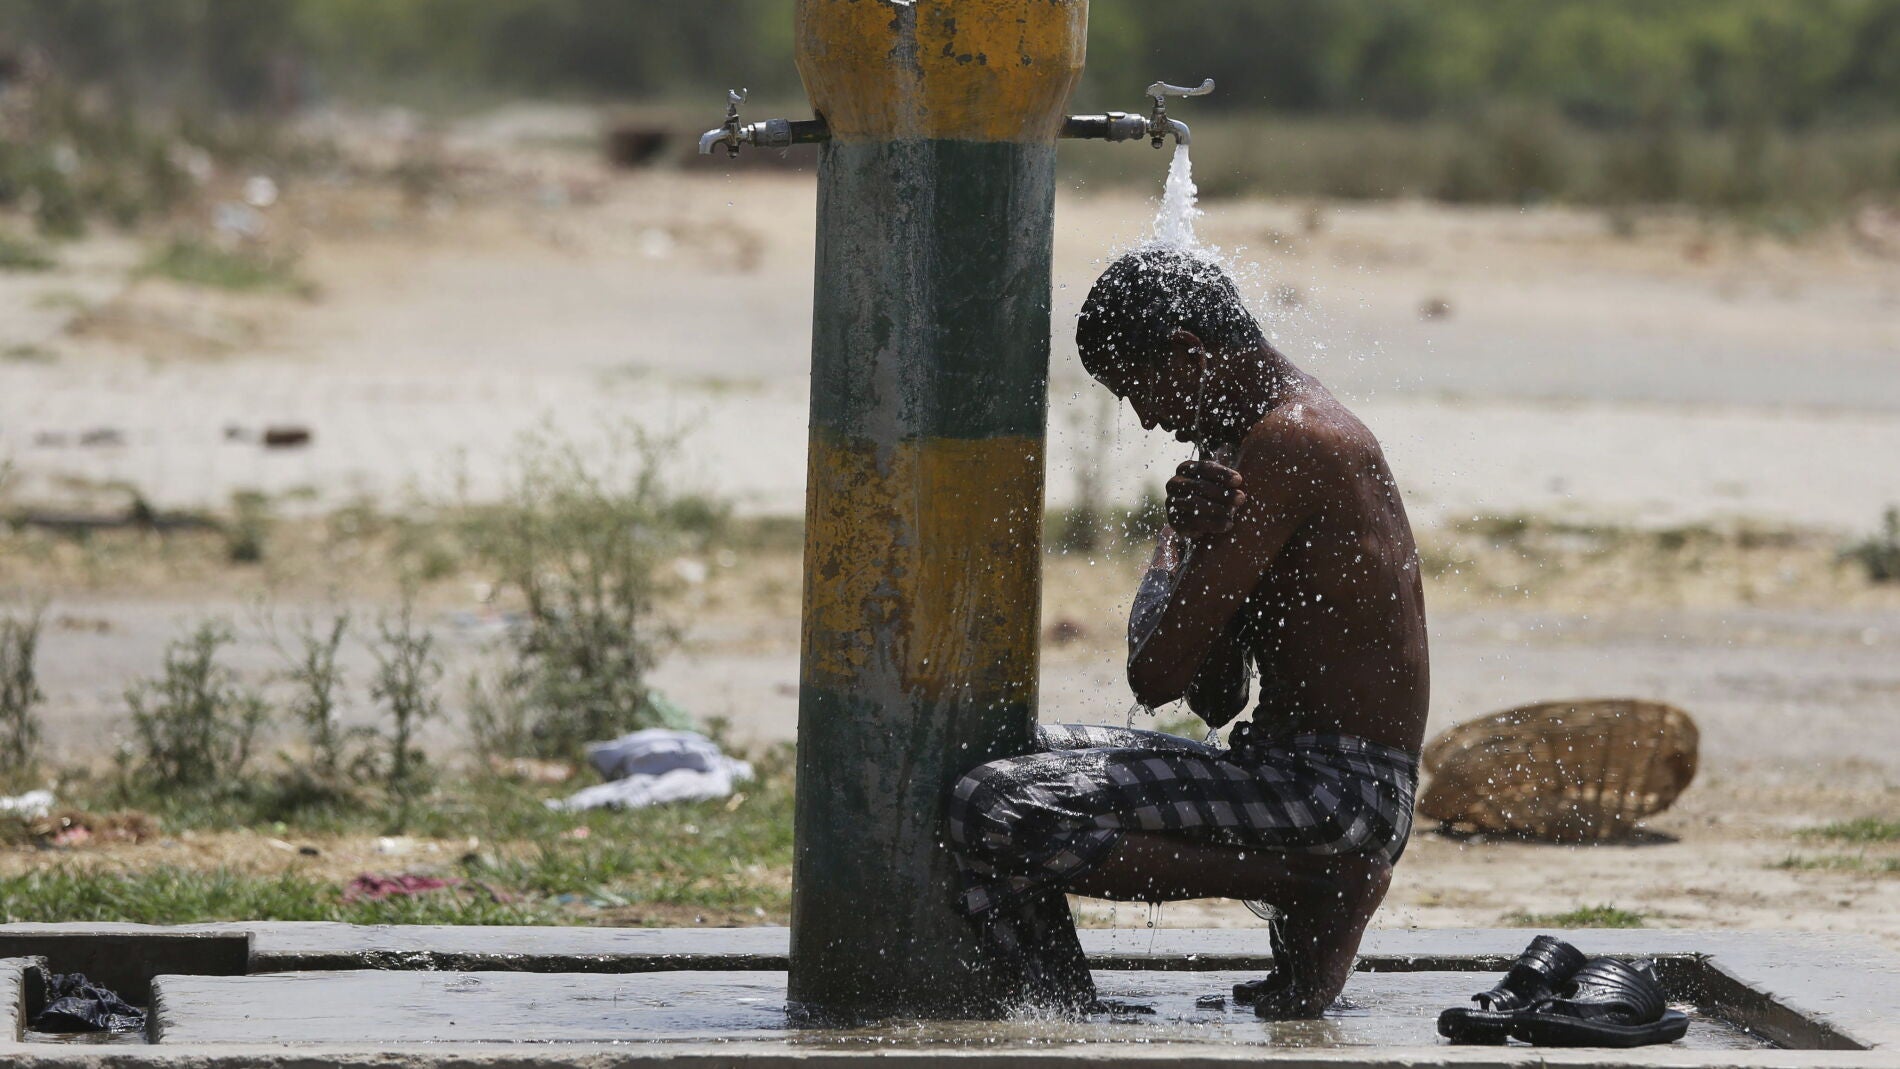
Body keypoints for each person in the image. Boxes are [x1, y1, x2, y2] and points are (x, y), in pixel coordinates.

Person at [945, 246, 1430, 1018]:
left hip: (1343, 793)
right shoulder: (1238, 447)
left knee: (994, 803)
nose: (1147, 417)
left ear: (1188, 354)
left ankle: (1314, 883)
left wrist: (1175, 544)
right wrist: (1197, 542)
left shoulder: (1293, 441)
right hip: (1285, 772)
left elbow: (1156, 678)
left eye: (1139, 388)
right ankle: (1065, 1016)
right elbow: (1214, 694)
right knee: (988, 751)